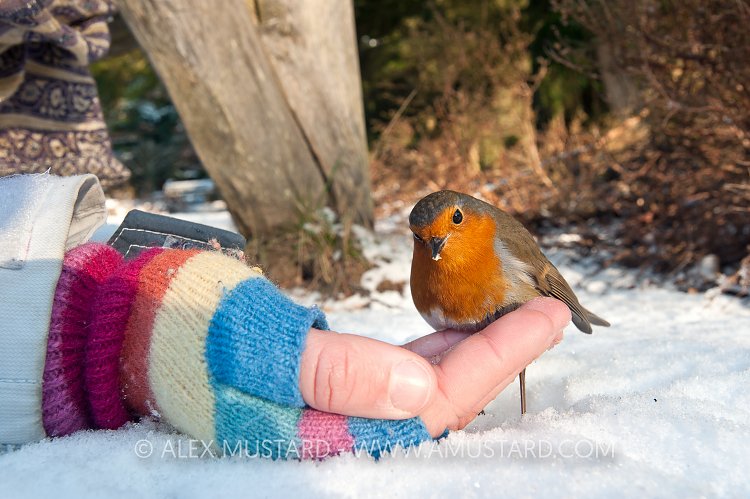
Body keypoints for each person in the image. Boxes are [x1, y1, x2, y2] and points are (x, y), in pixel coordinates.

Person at [0, 173, 569, 459]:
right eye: (424, 240)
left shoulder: (499, 241)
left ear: (469, 216)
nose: (436, 245)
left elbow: (544, 279)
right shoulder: (431, 260)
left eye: (448, 229)